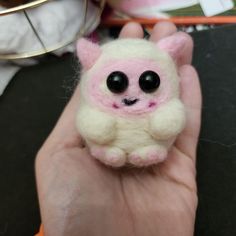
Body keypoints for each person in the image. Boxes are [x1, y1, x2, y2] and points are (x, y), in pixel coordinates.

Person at [35, 21, 202, 236]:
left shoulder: (166, 100)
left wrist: (165, 121)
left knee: (167, 122)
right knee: (97, 128)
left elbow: (171, 121)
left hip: (151, 144)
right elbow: (89, 123)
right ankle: (110, 152)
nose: (132, 94)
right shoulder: (95, 103)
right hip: (109, 147)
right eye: (116, 83)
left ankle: (144, 151)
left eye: (149, 82)